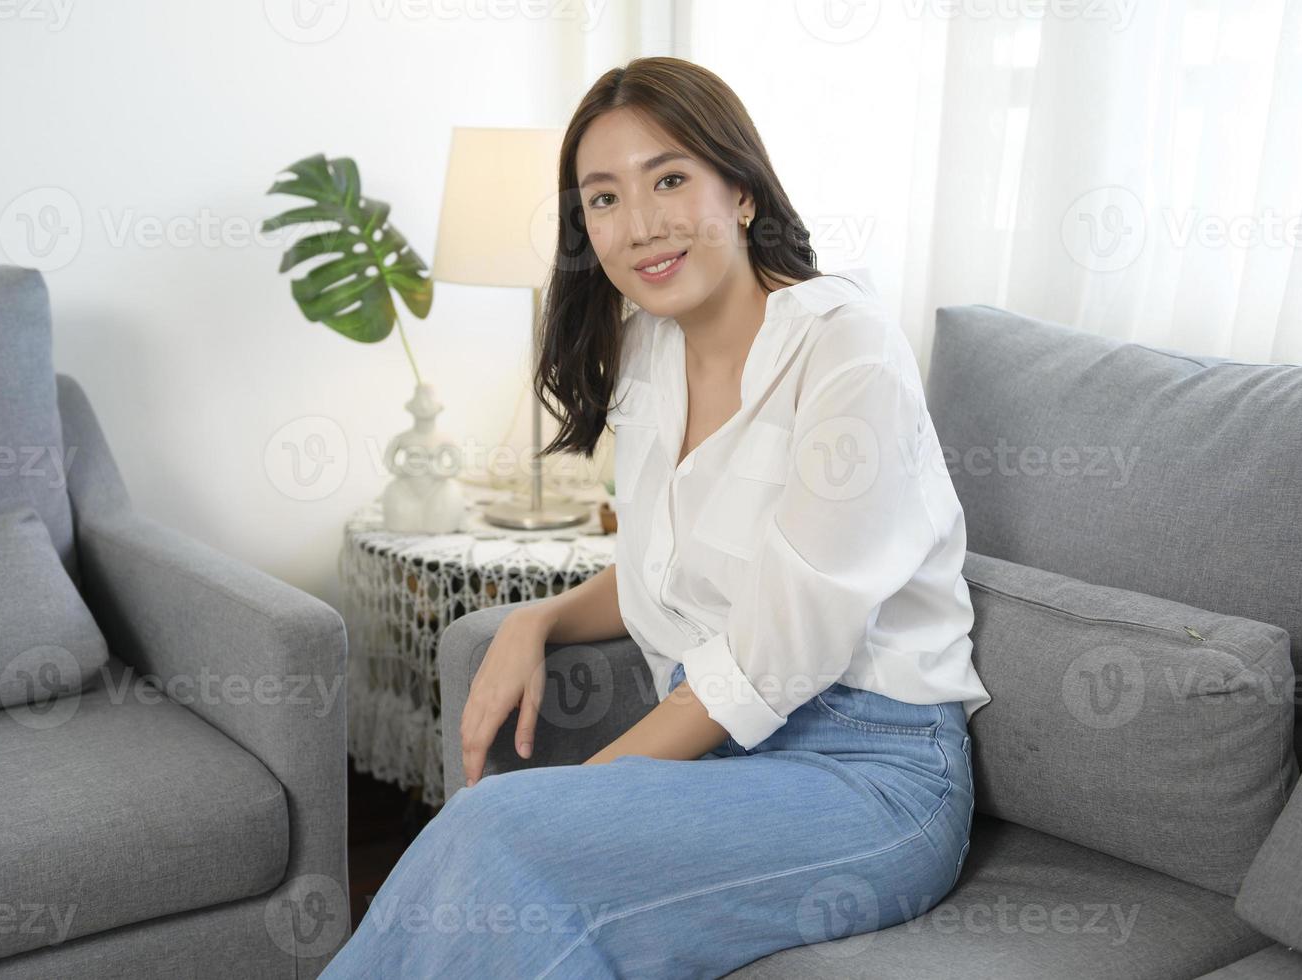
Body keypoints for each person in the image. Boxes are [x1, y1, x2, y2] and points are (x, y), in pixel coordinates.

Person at [319, 55, 992, 979]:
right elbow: (668, 566)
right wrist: (540, 616)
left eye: (669, 179)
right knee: (507, 886)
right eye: (602, 199)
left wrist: (579, 803)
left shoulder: (848, 350)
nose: (638, 226)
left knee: (499, 833)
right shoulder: (645, 347)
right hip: (728, 758)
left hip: (869, 773)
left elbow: (774, 647)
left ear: (742, 191)